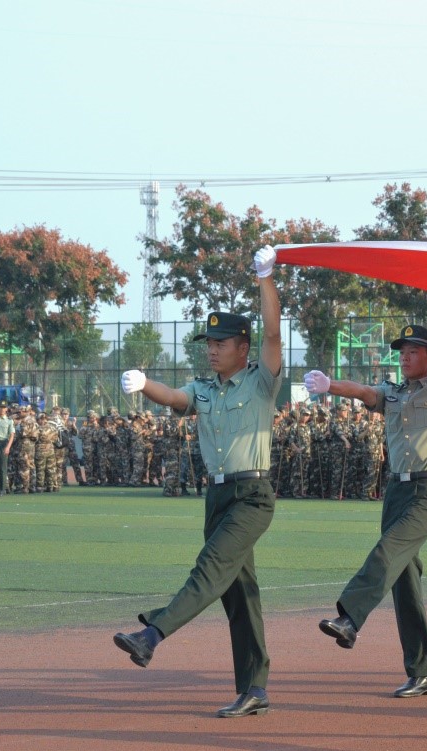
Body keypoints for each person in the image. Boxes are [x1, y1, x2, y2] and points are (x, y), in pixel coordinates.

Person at [111, 245, 283, 718]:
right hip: (218, 496)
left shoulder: (260, 381)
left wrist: (265, 278)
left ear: (242, 348)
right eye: (208, 342)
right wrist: (144, 384)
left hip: (252, 496)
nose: (211, 349)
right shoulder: (204, 388)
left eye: (220, 343)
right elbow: (173, 397)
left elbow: (272, 332)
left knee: (209, 568)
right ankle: (254, 688)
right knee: (240, 597)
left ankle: (151, 635)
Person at [306, 298, 427, 698]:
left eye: (413, 351)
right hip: (396, 491)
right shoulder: (393, 393)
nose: (405, 357)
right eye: (402, 352)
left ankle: (349, 618)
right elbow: (363, 391)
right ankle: (423, 671)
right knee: (404, 582)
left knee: (386, 552)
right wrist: (330, 386)